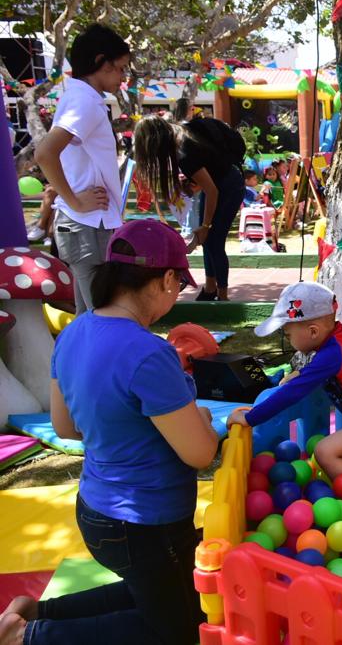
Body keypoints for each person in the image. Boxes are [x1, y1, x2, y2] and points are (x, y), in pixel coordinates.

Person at [0, 220, 218, 645]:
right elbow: (199, 453)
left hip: (97, 511)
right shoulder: (149, 352)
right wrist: (203, 423)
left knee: (158, 590)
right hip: (144, 521)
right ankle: (29, 637)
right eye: (178, 285)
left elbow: (65, 427)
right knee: (179, 629)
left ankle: (34, 610)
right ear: (167, 279)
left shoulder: (74, 331)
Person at [227, 282, 342, 479]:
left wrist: (250, 418)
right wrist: (304, 372)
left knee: (324, 452)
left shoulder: (331, 354)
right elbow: (337, 368)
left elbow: (292, 392)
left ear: (313, 332)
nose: (289, 341)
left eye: (288, 335)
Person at [33, 23, 130, 313]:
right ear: (101, 62)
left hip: (86, 226)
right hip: (86, 226)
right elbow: (45, 153)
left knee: (90, 319)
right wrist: (75, 200)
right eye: (121, 68)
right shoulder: (84, 101)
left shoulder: (82, 98)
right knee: (103, 318)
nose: (123, 77)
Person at [133, 115, 245, 301]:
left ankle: (223, 298)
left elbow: (212, 191)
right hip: (223, 182)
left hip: (229, 187)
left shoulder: (184, 152)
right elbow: (211, 170)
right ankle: (210, 289)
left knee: (214, 241)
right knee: (207, 240)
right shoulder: (182, 137)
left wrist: (206, 225)